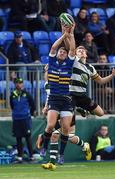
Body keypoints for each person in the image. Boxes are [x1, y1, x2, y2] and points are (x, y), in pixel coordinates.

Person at [39, 25, 76, 170]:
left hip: (66, 99)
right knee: (49, 126)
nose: (61, 52)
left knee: (66, 129)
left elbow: (72, 49)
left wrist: (70, 34)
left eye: (63, 52)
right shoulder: (52, 62)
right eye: (61, 51)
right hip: (54, 99)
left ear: (66, 55)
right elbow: (54, 47)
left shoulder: (69, 64)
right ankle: (44, 148)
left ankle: (61, 155)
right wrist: (64, 35)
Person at [10, 78, 36, 162]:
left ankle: (31, 156)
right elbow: (12, 106)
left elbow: (33, 105)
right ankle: (20, 156)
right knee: (18, 138)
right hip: (16, 119)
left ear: (22, 84)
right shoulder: (12, 95)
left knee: (28, 137)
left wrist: (31, 114)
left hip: (25, 119)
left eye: (20, 83)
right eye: (17, 83)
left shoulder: (27, 94)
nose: (19, 84)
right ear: (15, 84)